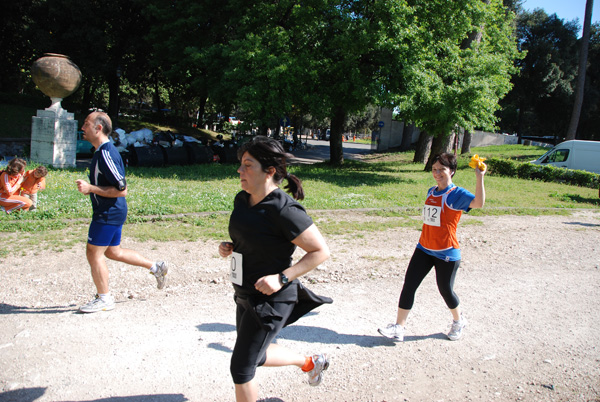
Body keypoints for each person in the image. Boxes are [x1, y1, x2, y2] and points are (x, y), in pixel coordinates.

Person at [218, 136, 332, 402]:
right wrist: (230, 247)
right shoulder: (242, 200)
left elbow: (320, 251)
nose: (240, 171)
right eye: (241, 164)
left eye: (248, 165)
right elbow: (251, 237)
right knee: (255, 355)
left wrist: (282, 278)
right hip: (245, 292)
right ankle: (310, 362)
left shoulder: (285, 210)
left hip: (272, 299)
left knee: (241, 367)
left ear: (269, 171)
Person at [378, 152, 486, 342]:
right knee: (409, 284)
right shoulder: (431, 191)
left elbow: (478, 203)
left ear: (451, 171)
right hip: (424, 248)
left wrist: (479, 177)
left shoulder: (456, 194)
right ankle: (398, 328)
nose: (437, 173)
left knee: (445, 290)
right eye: (434, 169)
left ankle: (459, 321)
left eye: (441, 169)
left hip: (446, 252)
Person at [76, 111, 168, 313]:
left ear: (98, 128)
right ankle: (156, 266)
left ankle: (104, 298)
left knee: (93, 253)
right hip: (111, 211)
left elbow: (122, 189)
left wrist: (90, 188)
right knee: (112, 251)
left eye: (86, 123)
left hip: (109, 212)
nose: (82, 128)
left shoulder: (106, 153)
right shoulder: (101, 152)